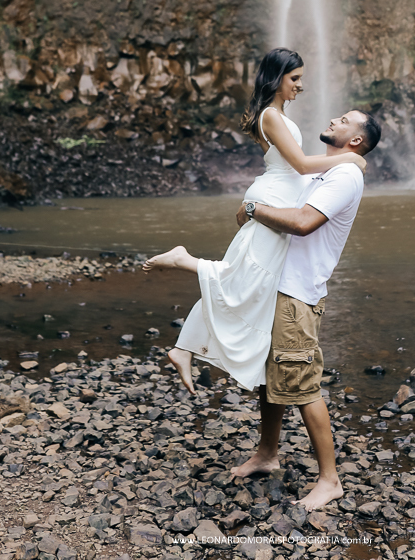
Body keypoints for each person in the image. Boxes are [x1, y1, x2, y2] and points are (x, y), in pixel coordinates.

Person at [142, 48, 367, 394]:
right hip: (273, 197)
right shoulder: (272, 117)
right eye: (294, 78)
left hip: (276, 194)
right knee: (241, 279)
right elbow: (303, 166)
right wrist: (351, 158)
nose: (300, 85)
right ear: (276, 78)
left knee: (245, 283)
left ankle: (183, 348)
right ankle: (182, 260)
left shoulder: (274, 114)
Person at [229, 107, 381, 510]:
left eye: (344, 120)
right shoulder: (326, 169)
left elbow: (301, 222)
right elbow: (282, 166)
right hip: (277, 283)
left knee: (302, 384)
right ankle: (267, 453)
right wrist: (259, 126)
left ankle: (330, 480)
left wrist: (251, 211)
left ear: (355, 140)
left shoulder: (345, 176)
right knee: (270, 373)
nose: (333, 119)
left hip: (298, 293)